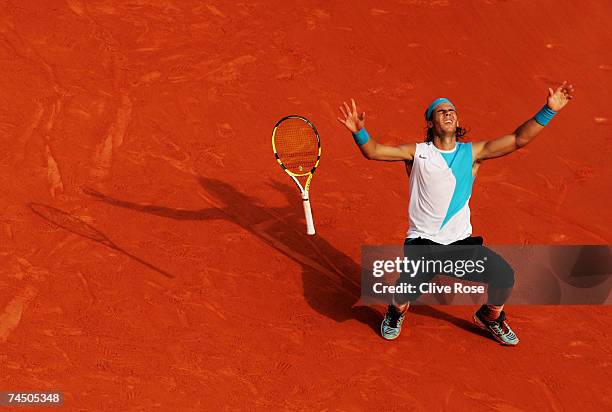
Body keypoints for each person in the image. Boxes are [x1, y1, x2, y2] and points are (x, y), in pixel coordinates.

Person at [337, 82, 574, 345]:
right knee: (407, 286)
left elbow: (518, 139)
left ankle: (490, 316)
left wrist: (549, 110)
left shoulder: (472, 153)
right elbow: (374, 151)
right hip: (423, 243)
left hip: (459, 245)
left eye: (451, 110)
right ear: (430, 122)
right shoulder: (417, 154)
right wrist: (360, 133)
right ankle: (396, 310)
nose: (448, 113)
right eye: (441, 111)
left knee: (504, 276)